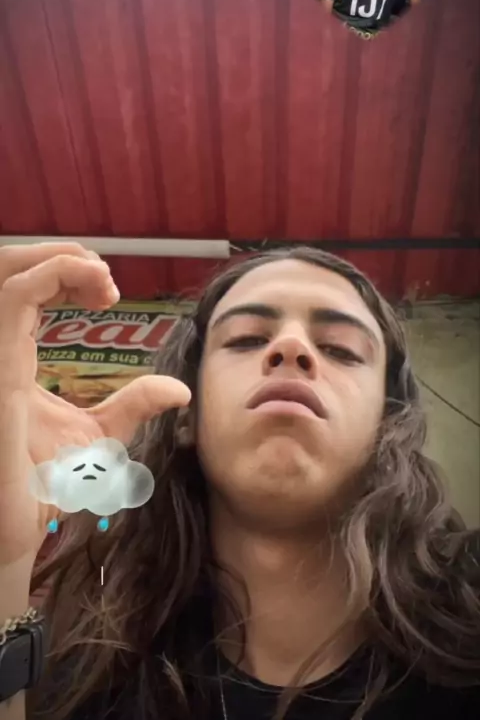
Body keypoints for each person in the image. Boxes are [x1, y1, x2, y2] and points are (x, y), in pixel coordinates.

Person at [0, 242, 479, 720]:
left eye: (341, 349)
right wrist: (7, 565)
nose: (291, 347)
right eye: (246, 339)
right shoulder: (91, 659)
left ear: (387, 424)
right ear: (187, 418)